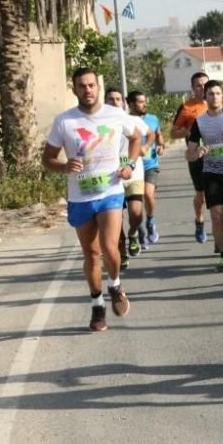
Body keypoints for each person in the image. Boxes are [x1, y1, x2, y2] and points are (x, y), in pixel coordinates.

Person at [42, 67, 139, 331]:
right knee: (92, 254)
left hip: (110, 191)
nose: (88, 90)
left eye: (91, 85)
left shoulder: (115, 114)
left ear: (98, 86)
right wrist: (63, 166)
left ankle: (116, 285)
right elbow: (47, 158)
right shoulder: (64, 121)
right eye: (82, 86)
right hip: (80, 197)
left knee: (110, 247)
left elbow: (136, 138)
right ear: (74, 89)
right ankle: (97, 304)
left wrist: (129, 164)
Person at [185, 80, 223, 271]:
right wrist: (197, 153)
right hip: (211, 173)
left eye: (218, 93)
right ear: (205, 97)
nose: (214, 97)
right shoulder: (199, 121)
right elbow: (189, 153)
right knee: (217, 215)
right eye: (210, 93)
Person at [105, 87, 149, 270]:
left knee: (136, 213)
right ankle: (121, 254)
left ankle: (133, 233)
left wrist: (145, 147)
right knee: (116, 222)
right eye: (110, 99)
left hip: (134, 175)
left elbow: (151, 134)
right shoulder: (101, 124)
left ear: (123, 103)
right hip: (111, 180)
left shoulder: (133, 120)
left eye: (117, 99)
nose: (114, 102)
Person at [171, 72, 210, 243]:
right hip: (196, 156)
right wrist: (188, 131)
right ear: (193, 88)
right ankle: (199, 221)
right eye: (198, 85)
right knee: (201, 196)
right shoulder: (186, 107)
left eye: (205, 85)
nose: (202, 88)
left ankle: (218, 230)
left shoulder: (217, 103)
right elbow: (172, 133)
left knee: (217, 196)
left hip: (217, 156)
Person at [127, 90, 164, 245]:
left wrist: (161, 145)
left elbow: (158, 134)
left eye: (144, 101)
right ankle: (138, 228)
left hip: (150, 164)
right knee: (135, 204)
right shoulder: (126, 120)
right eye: (140, 102)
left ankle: (149, 220)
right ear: (131, 104)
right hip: (133, 167)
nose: (144, 104)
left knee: (148, 194)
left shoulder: (153, 118)